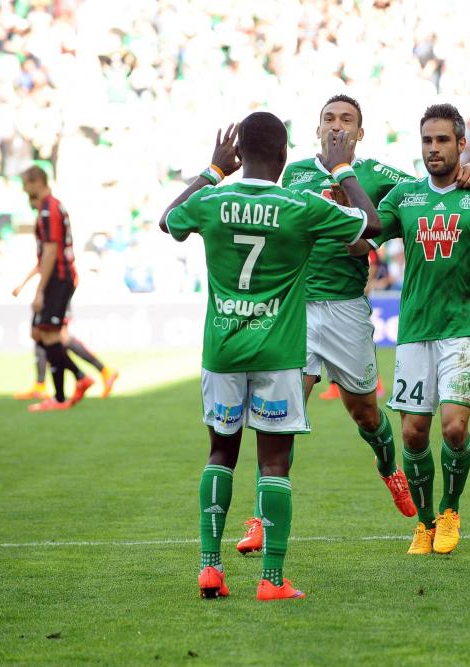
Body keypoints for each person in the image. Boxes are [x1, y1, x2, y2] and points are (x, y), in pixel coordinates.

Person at [234, 94, 470, 554]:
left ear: (360, 133)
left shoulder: (377, 175)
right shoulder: (294, 174)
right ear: (317, 127)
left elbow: (428, 192)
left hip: (347, 309)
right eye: (328, 118)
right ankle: (260, 518)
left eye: (346, 120)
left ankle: (389, 465)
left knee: (367, 415)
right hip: (297, 308)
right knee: (281, 415)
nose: (336, 126)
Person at [160, 113, 381, 600]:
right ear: (283, 156)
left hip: (222, 349)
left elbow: (167, 219)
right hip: (278, 353)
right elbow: (373, 223)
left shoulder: (211, 201)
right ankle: (272, 580)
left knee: (220, 453)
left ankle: (210, 567)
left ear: (239, 154)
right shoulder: (299, 204)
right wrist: (343, 169)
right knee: (274, 464)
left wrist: (213, 171)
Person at [352, 103, 470, 555]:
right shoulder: (405, 197)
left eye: (443, 140)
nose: (434, 149)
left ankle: (450, 508)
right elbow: (362, 241)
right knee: (413, 434)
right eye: (427, 141)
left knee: (454, 429)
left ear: (462, 144)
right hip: (418, 326)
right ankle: (424, 522)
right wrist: (336, 212)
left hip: (466, 323)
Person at [20, 166, 97, 412]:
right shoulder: (50, 207)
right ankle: (79, 377)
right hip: (57, 276)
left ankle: (61, 397)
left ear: (36, 182)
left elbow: (51, 251)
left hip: (59, 278)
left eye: (26, 183)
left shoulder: (48, 209)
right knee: (39, 334)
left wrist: (40, 290)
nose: (24, 188)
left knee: (50, 335)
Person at [12, 265, 119, 401]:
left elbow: (47, 259)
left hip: (58, 285)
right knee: (42, 334)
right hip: (56, 285)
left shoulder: (53, 249)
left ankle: (95, 373)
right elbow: (43, 262)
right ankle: (42, 385)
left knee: (56, 336)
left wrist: (30, 287)